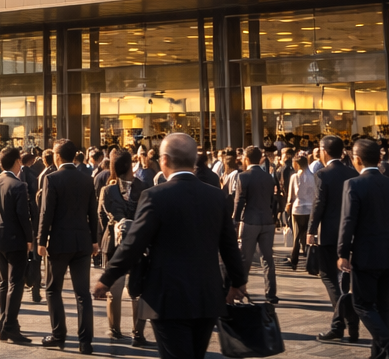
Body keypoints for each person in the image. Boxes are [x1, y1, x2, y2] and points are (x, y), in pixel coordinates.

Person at [93, 133, 246, 359]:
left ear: (164, 160)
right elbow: (229, 245)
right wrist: (238, 281)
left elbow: (134, 243)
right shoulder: (215, 196)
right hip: (207, 295)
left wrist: (107, 278)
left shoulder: (155, 196)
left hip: (167, 296)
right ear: (193, 160)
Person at [337, 137, 389, 359]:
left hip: (366, 254)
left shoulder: (353, 184)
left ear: (357, 159)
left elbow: (347, 222)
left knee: (361, 304)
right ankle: (379, 354)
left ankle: (388, 345)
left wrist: (342, 253)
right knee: (385, 306)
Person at [39, 138, 100, 353]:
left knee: (53, 289)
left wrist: (41, 240)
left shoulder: (52, 179)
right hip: (82, 241)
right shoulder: (86, 179)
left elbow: (47, 213)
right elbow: (93, 213)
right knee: (82, 293)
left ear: (57, 156)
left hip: (59, 241)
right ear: (75, 156)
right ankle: (86, 342)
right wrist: (95, 240)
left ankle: (58, 334)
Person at [307, 134, 359, 343]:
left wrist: (311, 230)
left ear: (324, 151)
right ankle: (352, 325)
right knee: (346, 281)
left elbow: (319, 204)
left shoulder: (323, 174)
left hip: (329, 234)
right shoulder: (352, 172)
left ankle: (340, 324)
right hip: (351, 233)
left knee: (328, 276)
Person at [0, 145, 34, 345]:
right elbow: (23, 215)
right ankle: (10, 325)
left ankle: (3, 324)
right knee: (15, 283)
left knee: (3, 282)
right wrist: (30, 238)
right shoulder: (19, 185)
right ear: (16, 162)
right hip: (15, 239)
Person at [97, 150, 146, 346]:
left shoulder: (107, 191)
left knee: (114, 290)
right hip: (138, 245)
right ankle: (138, 333)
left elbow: (101, 218)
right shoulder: (143, 188)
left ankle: (115, 330)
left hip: (113, 245)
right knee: (137, 291)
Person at [230, 144, 279, 303]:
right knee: (268, 258)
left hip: (250, 220)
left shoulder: (243, 176)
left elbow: (239, 201)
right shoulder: (268, 177)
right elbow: (273, 200)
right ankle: (271, 293)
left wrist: (235, 220)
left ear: (246, 158)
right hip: (267, 220)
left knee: (245, 258)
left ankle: (239, 289)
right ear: (261, 159)